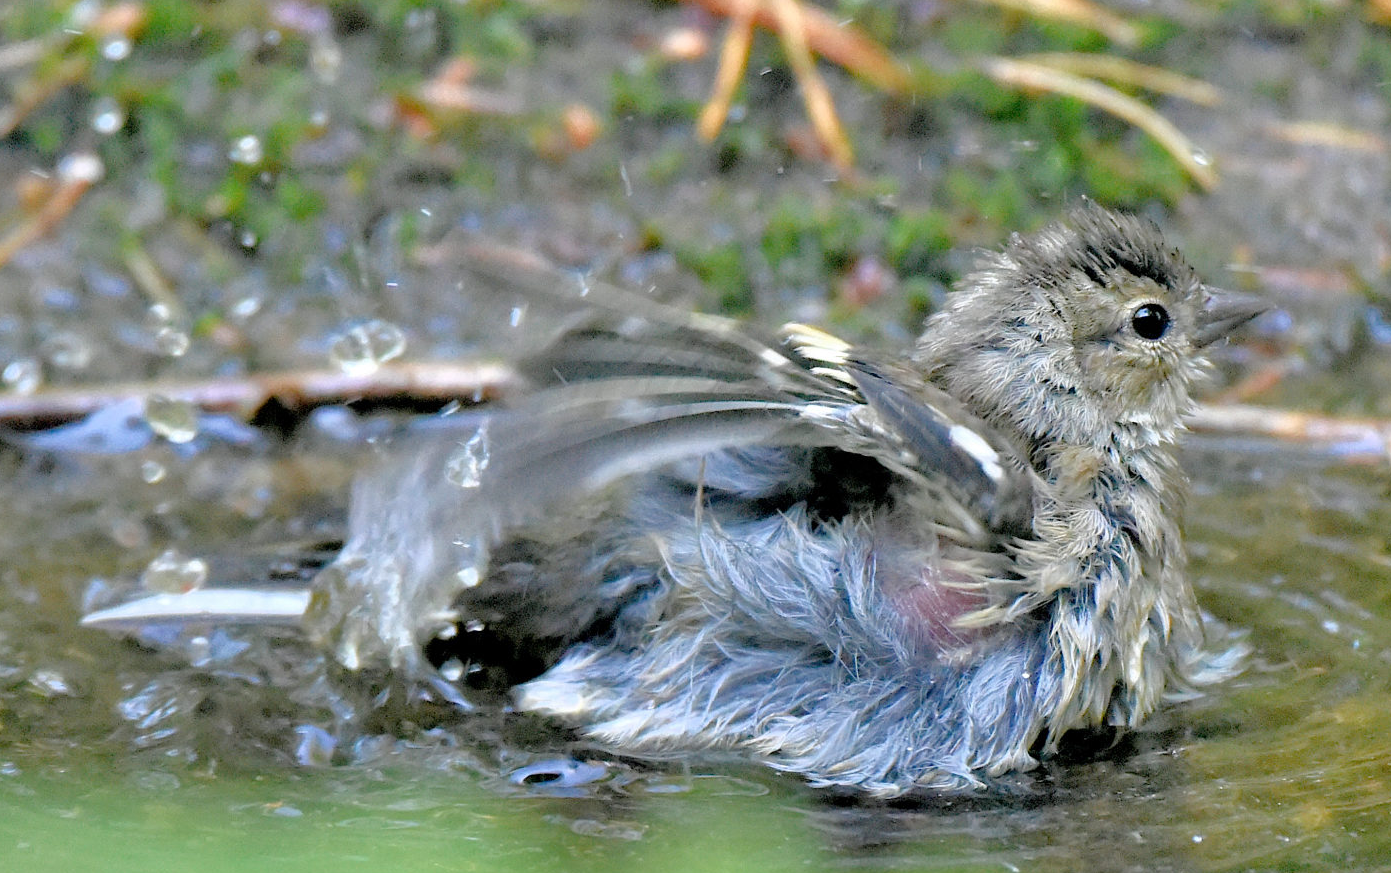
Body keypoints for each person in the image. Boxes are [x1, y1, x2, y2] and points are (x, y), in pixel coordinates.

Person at [89, 202, 1267, 796]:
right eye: (1152, 326)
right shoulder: (984, 478)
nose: (1193, 335)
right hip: (635, 650)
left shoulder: (983, 460)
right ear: (1071, 363)